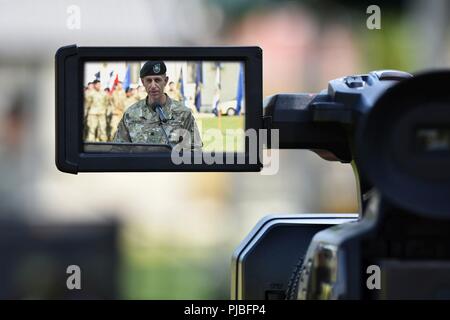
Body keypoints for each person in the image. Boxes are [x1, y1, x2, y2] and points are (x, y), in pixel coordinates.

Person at [113, 61, 202, 150]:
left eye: (157, 80)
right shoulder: (131, 114)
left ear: (165, 81)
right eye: (148, 80)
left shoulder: (183, 113)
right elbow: (118, 150)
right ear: (142, 82)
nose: (153, 85)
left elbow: (195, 150)